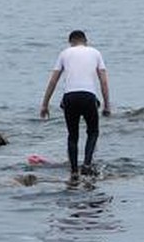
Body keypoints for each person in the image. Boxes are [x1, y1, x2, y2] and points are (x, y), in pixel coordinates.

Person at [40, 30, 110, 177]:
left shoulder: (64, 53)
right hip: (88, 96)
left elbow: (53, 80)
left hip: (69, 98)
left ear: (70, 42)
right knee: (93, 132)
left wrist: (45, 104)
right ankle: (86, 164)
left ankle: (73, 171)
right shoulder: (95, 53)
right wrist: (107, 105)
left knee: (73, 135)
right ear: (86, 41)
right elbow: (103, 81)